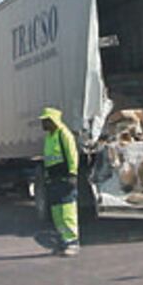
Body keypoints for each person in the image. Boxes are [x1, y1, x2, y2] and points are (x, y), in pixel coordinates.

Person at [40, 107, 79, 256]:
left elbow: (71, 153)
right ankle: (63, 241)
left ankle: (72, 242)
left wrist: (72, 174)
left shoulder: (64, 134)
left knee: (67, 210)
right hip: (53, 179)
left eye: (45, 120)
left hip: (64, 177)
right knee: (56, 212)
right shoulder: (49, 137)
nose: (43, 124)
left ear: (53, 120)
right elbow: (48, 158)